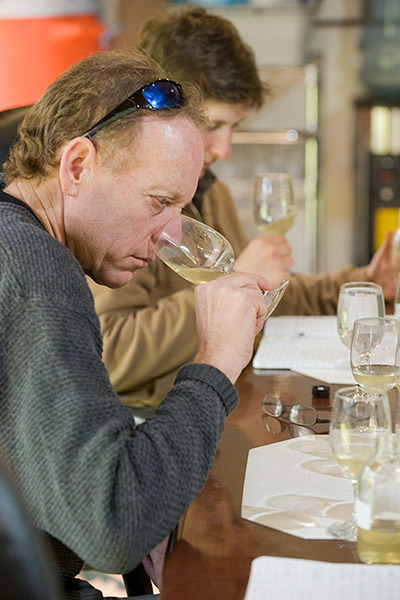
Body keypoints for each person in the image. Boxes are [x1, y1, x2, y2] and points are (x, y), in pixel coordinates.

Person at [0, 49, 270, 600]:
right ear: (77, 166)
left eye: (183, 208)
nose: (170, 236)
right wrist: (215, 361)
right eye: (159, 202)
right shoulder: (38, 276)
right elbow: (114, 525)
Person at [87, 6, 396, 415]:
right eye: (213, 125)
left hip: (218, 406)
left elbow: (259, 289)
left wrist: (364, 283)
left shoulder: (212, 194)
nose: (225, 149)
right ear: (160, 108)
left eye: (235, 128)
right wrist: (226, 290)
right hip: (152, 423)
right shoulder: (125, 207)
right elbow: (110, 354)